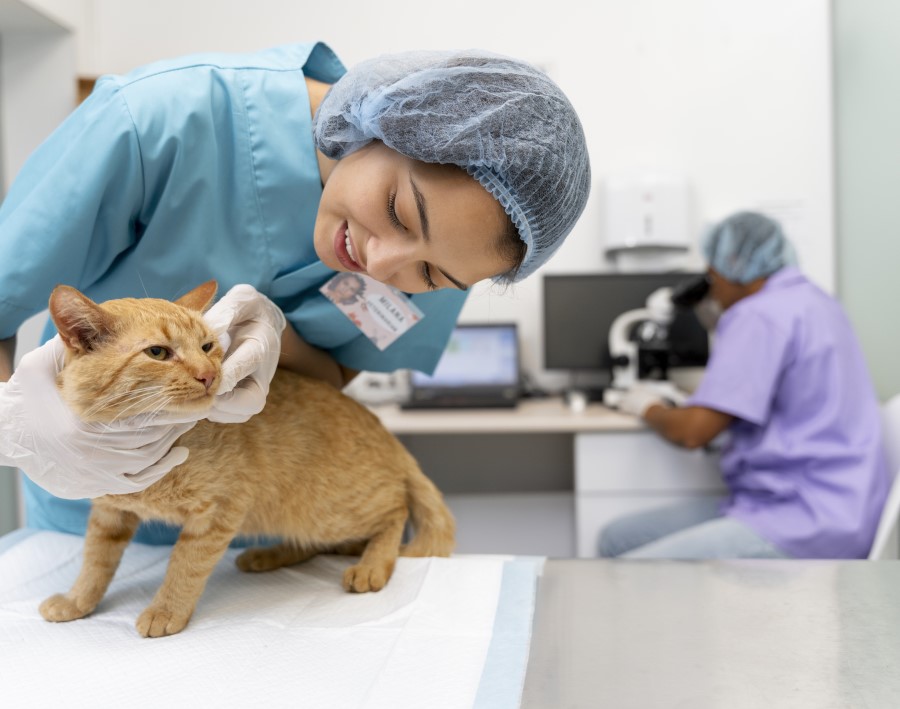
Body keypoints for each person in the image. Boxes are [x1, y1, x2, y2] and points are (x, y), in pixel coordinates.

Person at [0, 42, 591, 543]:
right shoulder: (158, 123)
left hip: (260, 524)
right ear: (385, 126)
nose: (383, 265)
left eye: (434, 276)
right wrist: (18, 426)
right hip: (89, 520)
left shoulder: (456, 249)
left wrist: (270, 346)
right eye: (398, 212)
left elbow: (336, 378)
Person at [602, 211, 888, 559]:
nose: (713, 287)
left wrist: (646, 406)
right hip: (840, 507)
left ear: (735, 261)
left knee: (622, 575)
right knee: (616, 538)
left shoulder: (758, 316)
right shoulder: (814, 300)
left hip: (803, 521)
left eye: (712, 273)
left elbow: (693, 433)